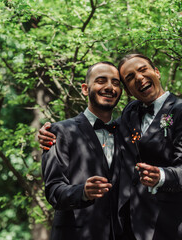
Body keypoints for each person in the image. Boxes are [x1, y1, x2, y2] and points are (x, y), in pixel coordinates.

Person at [116, 53, 182, 240]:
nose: (139, 78)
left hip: (171, 226)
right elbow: (105, 132)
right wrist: (58, 132)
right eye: (130, 77)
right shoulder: (129, 112)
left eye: (143, 70)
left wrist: (161, 176)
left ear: (156, 72)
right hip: (130, 227)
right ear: (128, 91)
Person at [41, 62, 123, 240]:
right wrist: (83, 192)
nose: (109, 87)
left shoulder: (127, 132)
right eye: (101, 81)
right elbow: (54, 191)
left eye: (115, 83)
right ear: (85, 89)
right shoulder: (59, 132)